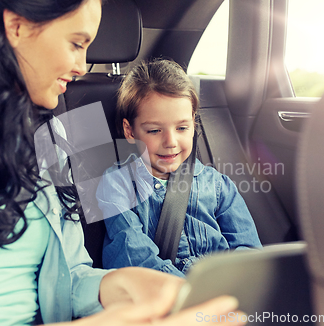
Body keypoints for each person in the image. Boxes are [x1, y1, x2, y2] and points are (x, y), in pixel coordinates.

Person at [0, 1, 245, 325]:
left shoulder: (48, 135)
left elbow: (69, 271)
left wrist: (118, 286)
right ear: (17, 26)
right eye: (76, 43)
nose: (83, 66)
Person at [97, 59, 262, 278]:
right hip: (160, 294)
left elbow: (248, 250)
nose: (171, 141)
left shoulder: (218, 185)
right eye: (155, 131)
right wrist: (188, 292)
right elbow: (132, 255)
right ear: (130, 131)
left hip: (223, 289)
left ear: (194, 124)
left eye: (182, 127)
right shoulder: (118, 184)